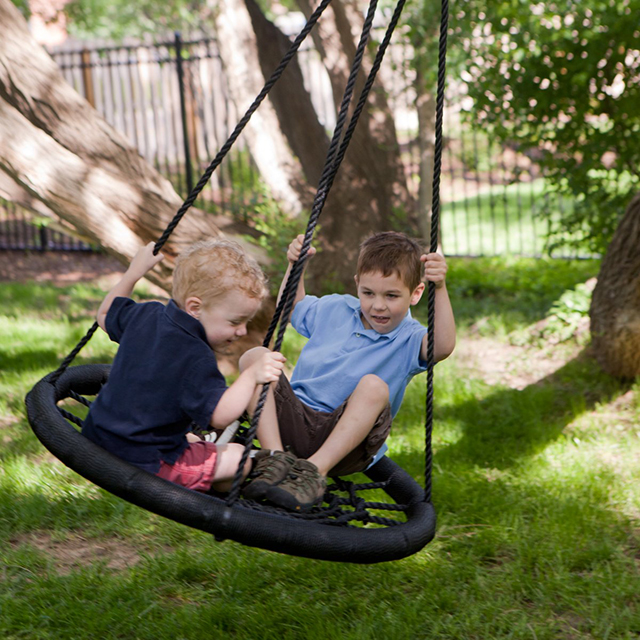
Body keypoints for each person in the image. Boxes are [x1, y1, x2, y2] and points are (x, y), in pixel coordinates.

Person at [240, 231, 456, 511]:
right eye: (368, 293)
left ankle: (314, 472)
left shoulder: (409, 338)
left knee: (374, 386)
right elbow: (292, 309)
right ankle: (274, 457)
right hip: (292, 419)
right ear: (357, 285)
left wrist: (439, 287)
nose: (378, 305)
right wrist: (296, 266)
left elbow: (443, 346)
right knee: (256, 357)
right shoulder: (335, 308)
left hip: (347, 442)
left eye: (391, 295)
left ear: (416, 293)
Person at [82, 239, 286, 494]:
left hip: (97, 435)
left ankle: (196, 462)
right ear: (195, 308)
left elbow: (104, 314)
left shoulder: (146, 314)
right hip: (146, 460)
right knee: (239, 459)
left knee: (193, 440)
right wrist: (251, 376)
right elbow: (219, 415)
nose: (242, 331)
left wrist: (135, 272)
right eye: (236, 321)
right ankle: (206, 494)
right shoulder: (196, 355)